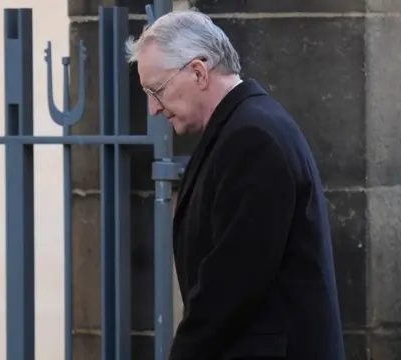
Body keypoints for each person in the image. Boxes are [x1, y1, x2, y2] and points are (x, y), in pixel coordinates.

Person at [125, 8, 346, 360]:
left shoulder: (252, 136)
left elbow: (231, 283)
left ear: (198, 72)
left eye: (157, 90)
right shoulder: (243, 127)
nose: (153, 108)